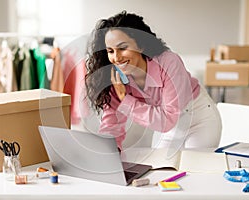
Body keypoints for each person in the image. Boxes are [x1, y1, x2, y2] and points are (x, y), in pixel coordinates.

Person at [85, 11, 222, 154]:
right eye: (110, 51)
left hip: (199, 120)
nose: (116, 57)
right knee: (162, 168)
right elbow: (111, 124)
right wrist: (107, 152)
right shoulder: (115, 78)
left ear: (140, 45)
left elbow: (167, 120)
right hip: (171, 128)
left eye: (123, 48)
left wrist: (125, 100)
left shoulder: (169, 62)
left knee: (194, 166)